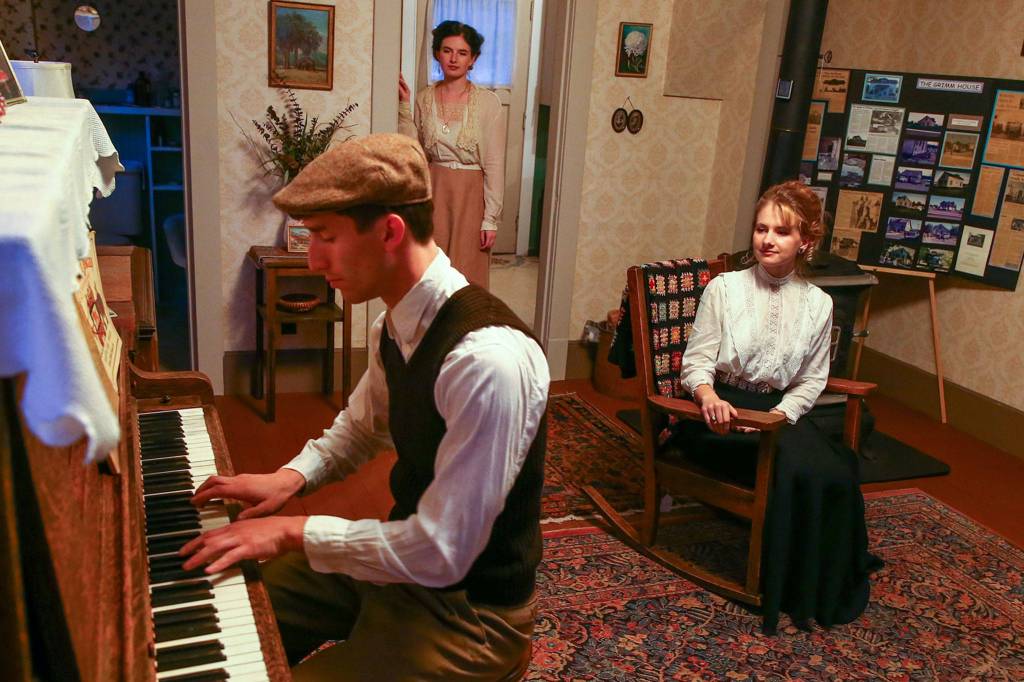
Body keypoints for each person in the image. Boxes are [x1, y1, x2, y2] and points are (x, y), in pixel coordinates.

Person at [179, 133, 550, 680]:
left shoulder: (485, 362)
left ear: (390, 232)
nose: (311, 257)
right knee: (229, 594)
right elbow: (360, 429)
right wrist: (289, 480)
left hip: (472, 615)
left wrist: (291, 532)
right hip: (409, 572)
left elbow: (444, 552)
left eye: (325, 236)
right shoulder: (394, 325)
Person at [678, 180, 879, 633]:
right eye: (761, 228)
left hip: (777, 412)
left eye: (782, 231)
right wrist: (707, 396)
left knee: (838, 465)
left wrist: (779, 415)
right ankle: (783, 589)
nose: (767, 239)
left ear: (805, 241)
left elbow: (811, 381)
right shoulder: (724, 289)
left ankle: (821, 586)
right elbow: (696, 365)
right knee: (796, 468)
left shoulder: (819, 304)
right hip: (720, 414)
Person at [398, 20, 504, 289]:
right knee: (431, 274)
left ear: (473, 59)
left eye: (462, 52)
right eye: (447, 50)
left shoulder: (488, 103)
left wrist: (490, 219)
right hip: (436, 190)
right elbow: (416, 152)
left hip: (471, 195)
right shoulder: (424, 98)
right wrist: (403, 104)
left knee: (467, 277)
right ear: (437, 54)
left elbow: (494, 164)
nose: (454, 58)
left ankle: (465, 330)